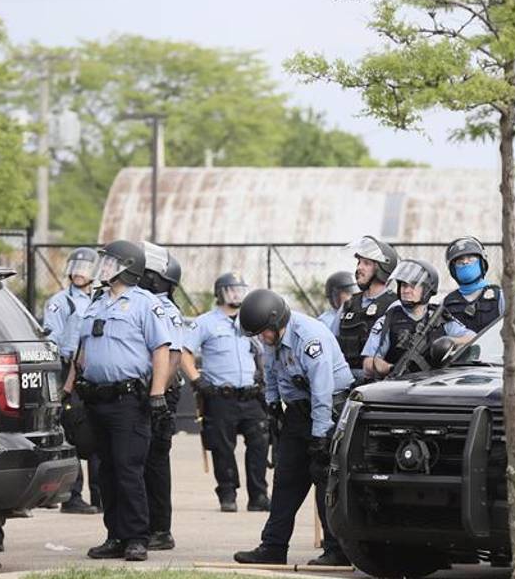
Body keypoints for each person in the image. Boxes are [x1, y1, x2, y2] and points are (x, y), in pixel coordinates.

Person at [63, 239, 174, 562]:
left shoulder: (144, 303)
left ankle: (137, 536)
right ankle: (115, 535)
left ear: (127, 266)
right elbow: (81, 354)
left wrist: (157, 394)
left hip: (129, 401)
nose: (104, 266)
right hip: (96, 399)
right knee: (106, 471)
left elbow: (162, 349)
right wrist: (67, 392)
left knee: (128, 469)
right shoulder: (95, 303)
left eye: (110, 261)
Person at [233, 289, 354, 567]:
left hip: (327, 411)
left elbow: (322, 391)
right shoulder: (271, 336)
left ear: (276, 322)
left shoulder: (310, 338)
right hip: (298, 413)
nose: (262, 338)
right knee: (285, 480)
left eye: (264, 332)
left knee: (325, 480)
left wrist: (320, 436)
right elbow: (272, 371)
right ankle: (273, 546)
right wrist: (272, 405)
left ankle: (337, 550)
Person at [181, 272, 270, 513]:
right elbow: (184, 352)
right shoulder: (205, 322)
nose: (237, 294)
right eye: (231, 289)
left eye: (240, 289)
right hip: (221, 396)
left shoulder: (250, 320)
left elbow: (266, 350)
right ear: (220, 293)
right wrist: (197, 381)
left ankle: (259, 495)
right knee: (222, 447)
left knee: (260, 444)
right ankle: (228, 494)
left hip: (251, 395)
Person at [42, 247, 101, 515]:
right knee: (74, 433)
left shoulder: (100, 300)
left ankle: (101, 495)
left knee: (99, 432)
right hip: (68, 369)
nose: (80, 272)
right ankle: (72, 496)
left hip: (95, 371)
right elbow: (51, 340)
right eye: (76, 266)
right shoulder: (60, 301)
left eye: (86, 267)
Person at [137, 242, 186, 551]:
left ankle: (160, 529)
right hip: (143, 391)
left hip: (159, 394)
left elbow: (174, 357)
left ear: (156, 278)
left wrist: (157, 396)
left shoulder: (164, 309)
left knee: (154, 462)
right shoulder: (139, 303)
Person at [362, 259, 476, 379]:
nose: (406, 291)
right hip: (399, 385)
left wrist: (451, 341)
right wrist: (389, 368)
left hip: (437, 384)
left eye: (413, 286)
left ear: (427, 289)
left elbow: (472, 338)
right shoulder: (389, 319)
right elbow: (368, 363)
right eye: (403, 285)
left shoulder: (439, 316)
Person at [337, 237, 399, 381]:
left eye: (367, 263)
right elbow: (331, 341)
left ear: (383, 268)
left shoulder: (395, 305)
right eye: (359, 262)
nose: (359, 268)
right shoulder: (349, 304)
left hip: (378, 382)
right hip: (345, 379)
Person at [442, 237, 504, 333]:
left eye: (471, 258)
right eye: (460, 261)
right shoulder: (446, 304)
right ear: (453, 270)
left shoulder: (500, 297)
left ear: (482, 263)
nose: (465, 262)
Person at [317, 271, 357, 337]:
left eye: (355, 292)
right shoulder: (325, 321)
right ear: (335, 296)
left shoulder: (357, 313)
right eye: (348, 293)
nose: (353, 297)